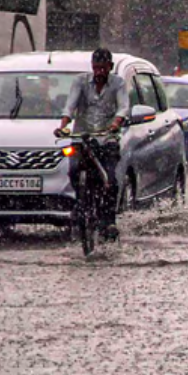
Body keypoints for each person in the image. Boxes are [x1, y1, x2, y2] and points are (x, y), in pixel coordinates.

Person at [57, 48, 130, 241]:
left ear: (110, 67)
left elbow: (123, 107)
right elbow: (70, 106)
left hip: (107, 139)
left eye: (103, 68)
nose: (99, 73)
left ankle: (109, 220)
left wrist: (116, 123)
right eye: (96, 68)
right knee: (73, 169)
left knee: (110, 180)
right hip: (82, 138)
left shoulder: (118, 84)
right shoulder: (80, 82)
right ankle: (80, 205)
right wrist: (63, 125)